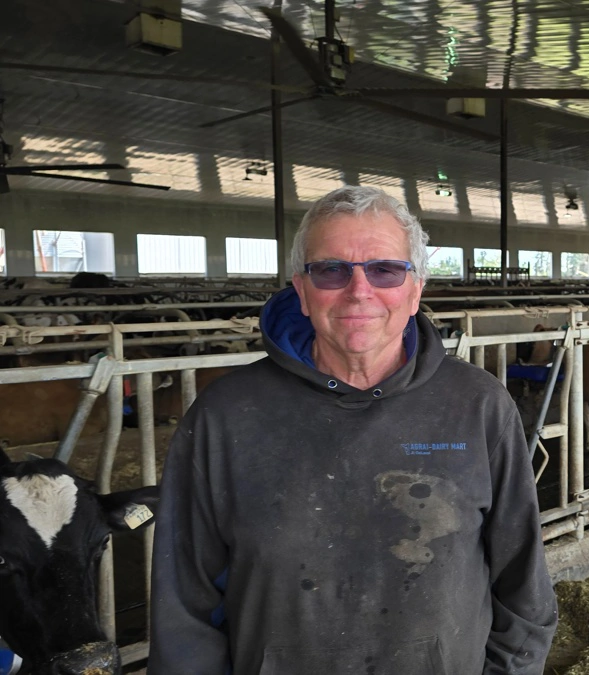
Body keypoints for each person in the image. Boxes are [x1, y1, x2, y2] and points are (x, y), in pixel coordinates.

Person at [149, 186, 558, 674]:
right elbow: (185, 610)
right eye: (331, 270)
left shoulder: (478, 405)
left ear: (415, 290)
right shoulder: (225, 416)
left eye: (385, 269)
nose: (359, 290)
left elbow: (523, 585)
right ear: (301, 291)